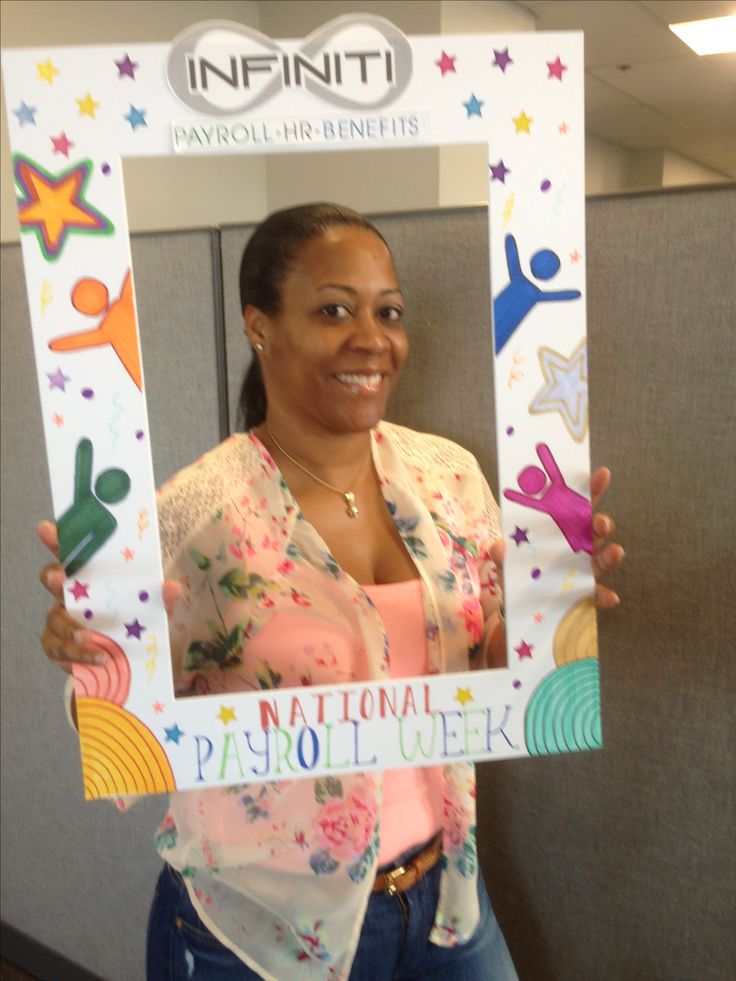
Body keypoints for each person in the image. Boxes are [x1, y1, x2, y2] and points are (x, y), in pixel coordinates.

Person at [39, 203, 624, 981]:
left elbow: (483, 685)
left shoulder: (449, 477)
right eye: (333, 309)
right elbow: (118, 738)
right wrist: (94, 652)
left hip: (444, 897)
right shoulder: (196, 513)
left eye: (388, 312)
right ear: (259, 325)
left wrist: (528, 632)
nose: (372, 338)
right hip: (257, 928)